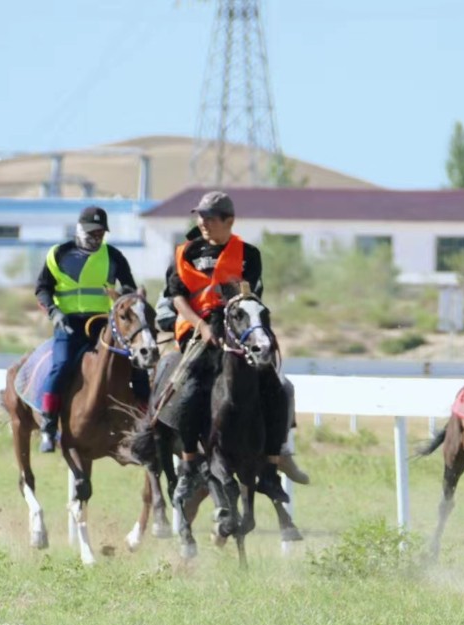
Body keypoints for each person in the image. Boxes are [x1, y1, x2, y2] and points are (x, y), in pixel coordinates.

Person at [163, 190, 308, 504]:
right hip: (197, 330)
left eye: (210, 218)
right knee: (188, 391)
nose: (203, 223)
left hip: (237, 330)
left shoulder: (248, 254)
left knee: (278, 388)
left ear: (229, 220)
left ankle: (272, 467)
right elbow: (176, 297)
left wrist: (229, 324)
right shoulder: (184, 252)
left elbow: (249, 295)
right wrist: (201, 326)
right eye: (200, 216)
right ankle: (188, 467)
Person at [32, 205, 144, 453]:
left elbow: (129, 289)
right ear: (80, 229)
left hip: (104, 324)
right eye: (93, 233)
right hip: (69, 325)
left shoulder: (114, 256)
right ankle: (49, 426)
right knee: (61, 366)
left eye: (101, 233)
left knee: (137, 363)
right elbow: (42, 289)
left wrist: (127, 302)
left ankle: (146, 417)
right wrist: (54, 311)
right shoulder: (58, 254)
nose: (97, 238)